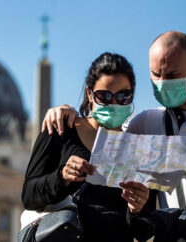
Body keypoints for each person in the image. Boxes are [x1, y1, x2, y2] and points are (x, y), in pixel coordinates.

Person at [42, 31, 186, 214]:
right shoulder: (147, 121)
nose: (162, 82)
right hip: (173, 232)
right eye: (156, 75)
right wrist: (70, 112)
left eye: (172, 75)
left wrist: (181, 162)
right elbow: (109, 141)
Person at [22, 52, 158, 242]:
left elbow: (144, 232)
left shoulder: (140, 149)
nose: (113, 103)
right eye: (104, 96)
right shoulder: (60, 129)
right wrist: (62, 177)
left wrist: (138, 209)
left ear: (132, 96)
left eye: (123, 96)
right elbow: (29, 196)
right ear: (89, 93)